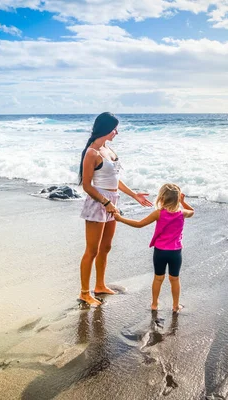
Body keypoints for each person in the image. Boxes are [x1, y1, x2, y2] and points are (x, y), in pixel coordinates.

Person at [78, 112, 153, 307]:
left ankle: (100, 285)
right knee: (92, 250)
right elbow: (87, 185)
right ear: (106, 128)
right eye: (114, 129)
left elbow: (116, 180)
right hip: (98, 203)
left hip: (113, 200)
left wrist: (134, 195)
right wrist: (105, 203)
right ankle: (85, 293)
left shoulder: (109, 150)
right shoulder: (92, 153)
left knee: (106, 247)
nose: (117, 132)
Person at [114, 183, 194, 312]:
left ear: (161, 198)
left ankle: (154, 304)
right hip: (175, 253)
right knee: (175, 279)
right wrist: (183, 202)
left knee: (158, 278)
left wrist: (120, 219)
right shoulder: (182, 213)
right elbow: (192, 212)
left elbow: (139, 224)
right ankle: (175, 306)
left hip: (160, 251)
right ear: (177, 198)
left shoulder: (159, 213)